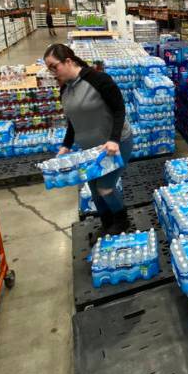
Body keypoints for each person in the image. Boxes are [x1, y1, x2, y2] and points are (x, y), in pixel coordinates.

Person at [44, 43, 133, 237]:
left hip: (115, 145)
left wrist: (114, 140)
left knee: (105, 188)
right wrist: (66, 145)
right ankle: (107, 223)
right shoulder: (65, 90)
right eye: (48, 68)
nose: (52, 72)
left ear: (68, 61)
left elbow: (119, 110)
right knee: (93, 188)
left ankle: (121, 219)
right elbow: (73, 121)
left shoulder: (99, 79)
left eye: (54, 67)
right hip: (90, 151)